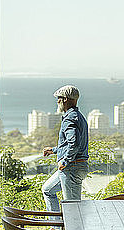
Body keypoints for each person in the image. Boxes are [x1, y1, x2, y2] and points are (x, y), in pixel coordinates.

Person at [42, 85, 89, 220]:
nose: (57, 101)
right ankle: (56, 227)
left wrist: (65, 160)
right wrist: (54, 150)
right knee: (48, 190)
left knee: (73, 208)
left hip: (71, 167)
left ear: (65, 99)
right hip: (74, 166)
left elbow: (73, 143)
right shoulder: (78, 116)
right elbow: (72, 143)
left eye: (59, 98)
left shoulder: (69, 118)